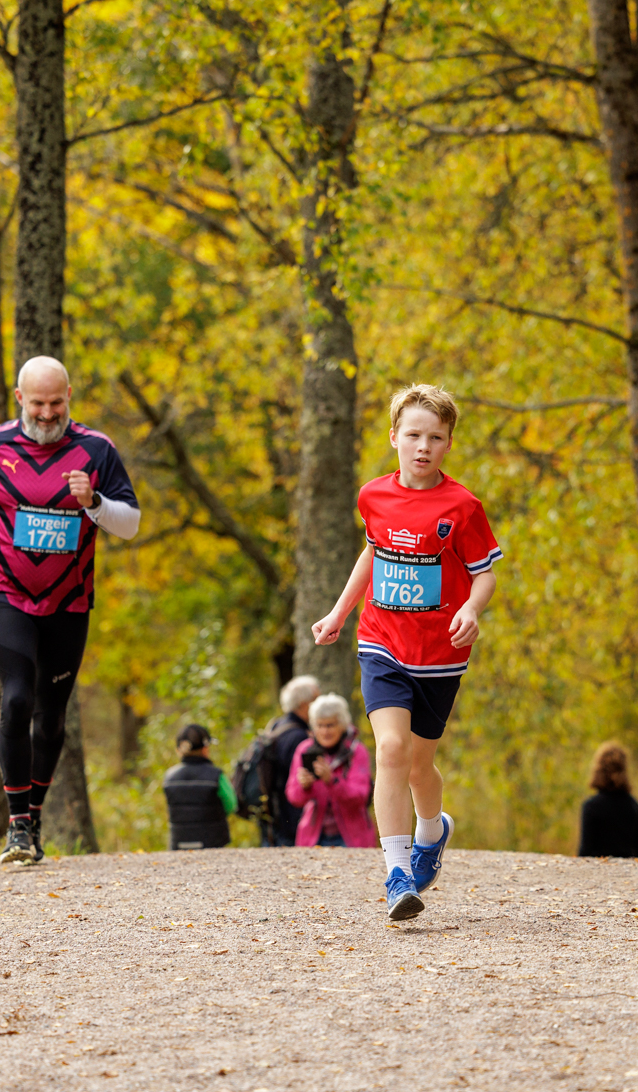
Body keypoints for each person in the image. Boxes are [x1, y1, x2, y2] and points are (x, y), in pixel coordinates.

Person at [312, 384, 502, 920]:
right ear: (394, 436)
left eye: (436, 438)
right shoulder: (373, 496)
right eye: (414, 435)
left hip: (440, 653)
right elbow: (372, 553)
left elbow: (484, 575)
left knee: (420, 767)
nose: (423, 446)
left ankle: (432, 832)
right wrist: (340, 612)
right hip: (382, 643)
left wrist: (472, 609)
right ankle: (397, 874)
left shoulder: (462, 507)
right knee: (391, 750)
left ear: (448, 444)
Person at [0, 356, 140, 865]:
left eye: (57, 402)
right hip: (7, 593)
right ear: (20, 399)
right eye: (38, 403)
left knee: (52, 716)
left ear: (69, 396)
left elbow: (130, 523)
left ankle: (33, 817)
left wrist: (94, 501)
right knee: (16, 699)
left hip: (69, 601)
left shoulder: (96, 449)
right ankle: (16, 826)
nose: (48, 413)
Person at [285, 693, 376, 847]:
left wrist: (332, 781)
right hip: (314, 836)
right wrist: (304, 786)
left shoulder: (356, 751)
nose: (325, 731)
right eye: (320, 725)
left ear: (342, 725)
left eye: (330, 725)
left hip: (353, 838)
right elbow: (294, 797)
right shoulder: (305, 750)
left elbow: (361, 796)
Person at [261, 676, 319, 846]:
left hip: (273, 814)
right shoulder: (299, 737)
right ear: (304, 704)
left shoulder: (277, 726)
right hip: (289, 819)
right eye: (316, 700)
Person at [164, 723, 236, 850]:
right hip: (213, 842)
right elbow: (231, 805)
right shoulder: (216, 775)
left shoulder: (169, 777)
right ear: (205, 748)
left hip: (178, 843)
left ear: (179, 750)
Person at [577, 741, 638, 858]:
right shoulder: (633, 805)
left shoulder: (591, 806)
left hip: (596, 868)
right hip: (628, 868)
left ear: (598, 769)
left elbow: (585, 852)